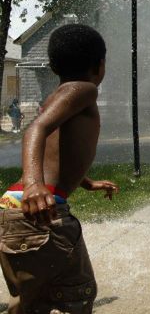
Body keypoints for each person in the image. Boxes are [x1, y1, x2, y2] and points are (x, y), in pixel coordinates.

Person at [0, 24, 119, 313]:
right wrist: (33, 183)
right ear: (100, 65)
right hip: (39, 207)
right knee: (77, 295)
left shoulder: (59, 94)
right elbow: (35, 130)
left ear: (52, 66)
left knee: (35, 301)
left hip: (16, 206)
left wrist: (87, 182)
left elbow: (57, 151)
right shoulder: (85, 90)